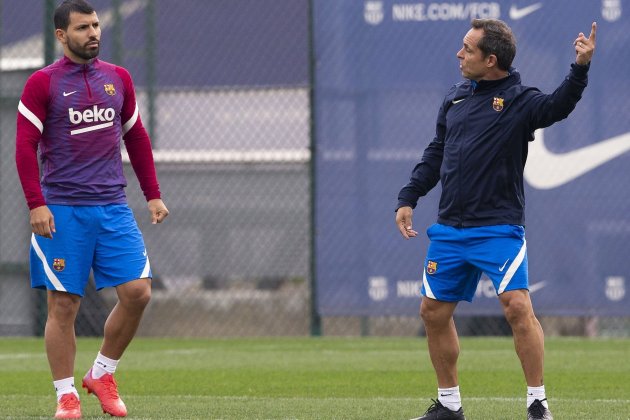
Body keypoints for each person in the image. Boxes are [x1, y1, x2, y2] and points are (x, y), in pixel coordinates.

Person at [395, 18, 596, 420]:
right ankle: (449, 407)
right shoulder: (454, 98)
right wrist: (409, 196)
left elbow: (558, 106)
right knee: (432, 313)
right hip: (450, 229)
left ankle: (537, 403)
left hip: (498, 228)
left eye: (467, 49)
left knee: (517, 306)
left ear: (491, 60)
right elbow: (436, 153)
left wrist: (580, 69)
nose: (459, 54)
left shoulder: (520, 101)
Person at [15, 0, 169, 418]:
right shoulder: (42, 84)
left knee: (138, 293)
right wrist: (36, 204)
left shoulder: (118, 78)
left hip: (113, 207)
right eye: (83, 28)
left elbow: (135, 138)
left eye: (97, 25)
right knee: (64, 305)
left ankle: (102, 373)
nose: (94, 33)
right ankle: (66, 394)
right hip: (62, 209)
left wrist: (152, 193)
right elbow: (24, 149)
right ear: (62, 35)